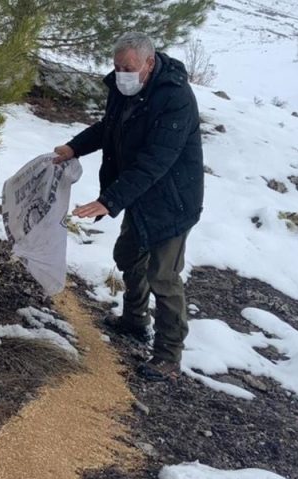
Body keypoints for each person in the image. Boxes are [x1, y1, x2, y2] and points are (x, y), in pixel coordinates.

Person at [53, 32, 203, 382]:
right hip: (138, 193)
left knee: (163, 276)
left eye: (129, 67)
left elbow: (156, 161)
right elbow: (111, 127)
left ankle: (168, 356)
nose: (122, 73)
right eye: (117, 66)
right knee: (128, 256)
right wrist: (75, 147)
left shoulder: (176, 98)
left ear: (149, 64)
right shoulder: (124, 89)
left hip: (172, 200)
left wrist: (109, 200)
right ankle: (135, 321)